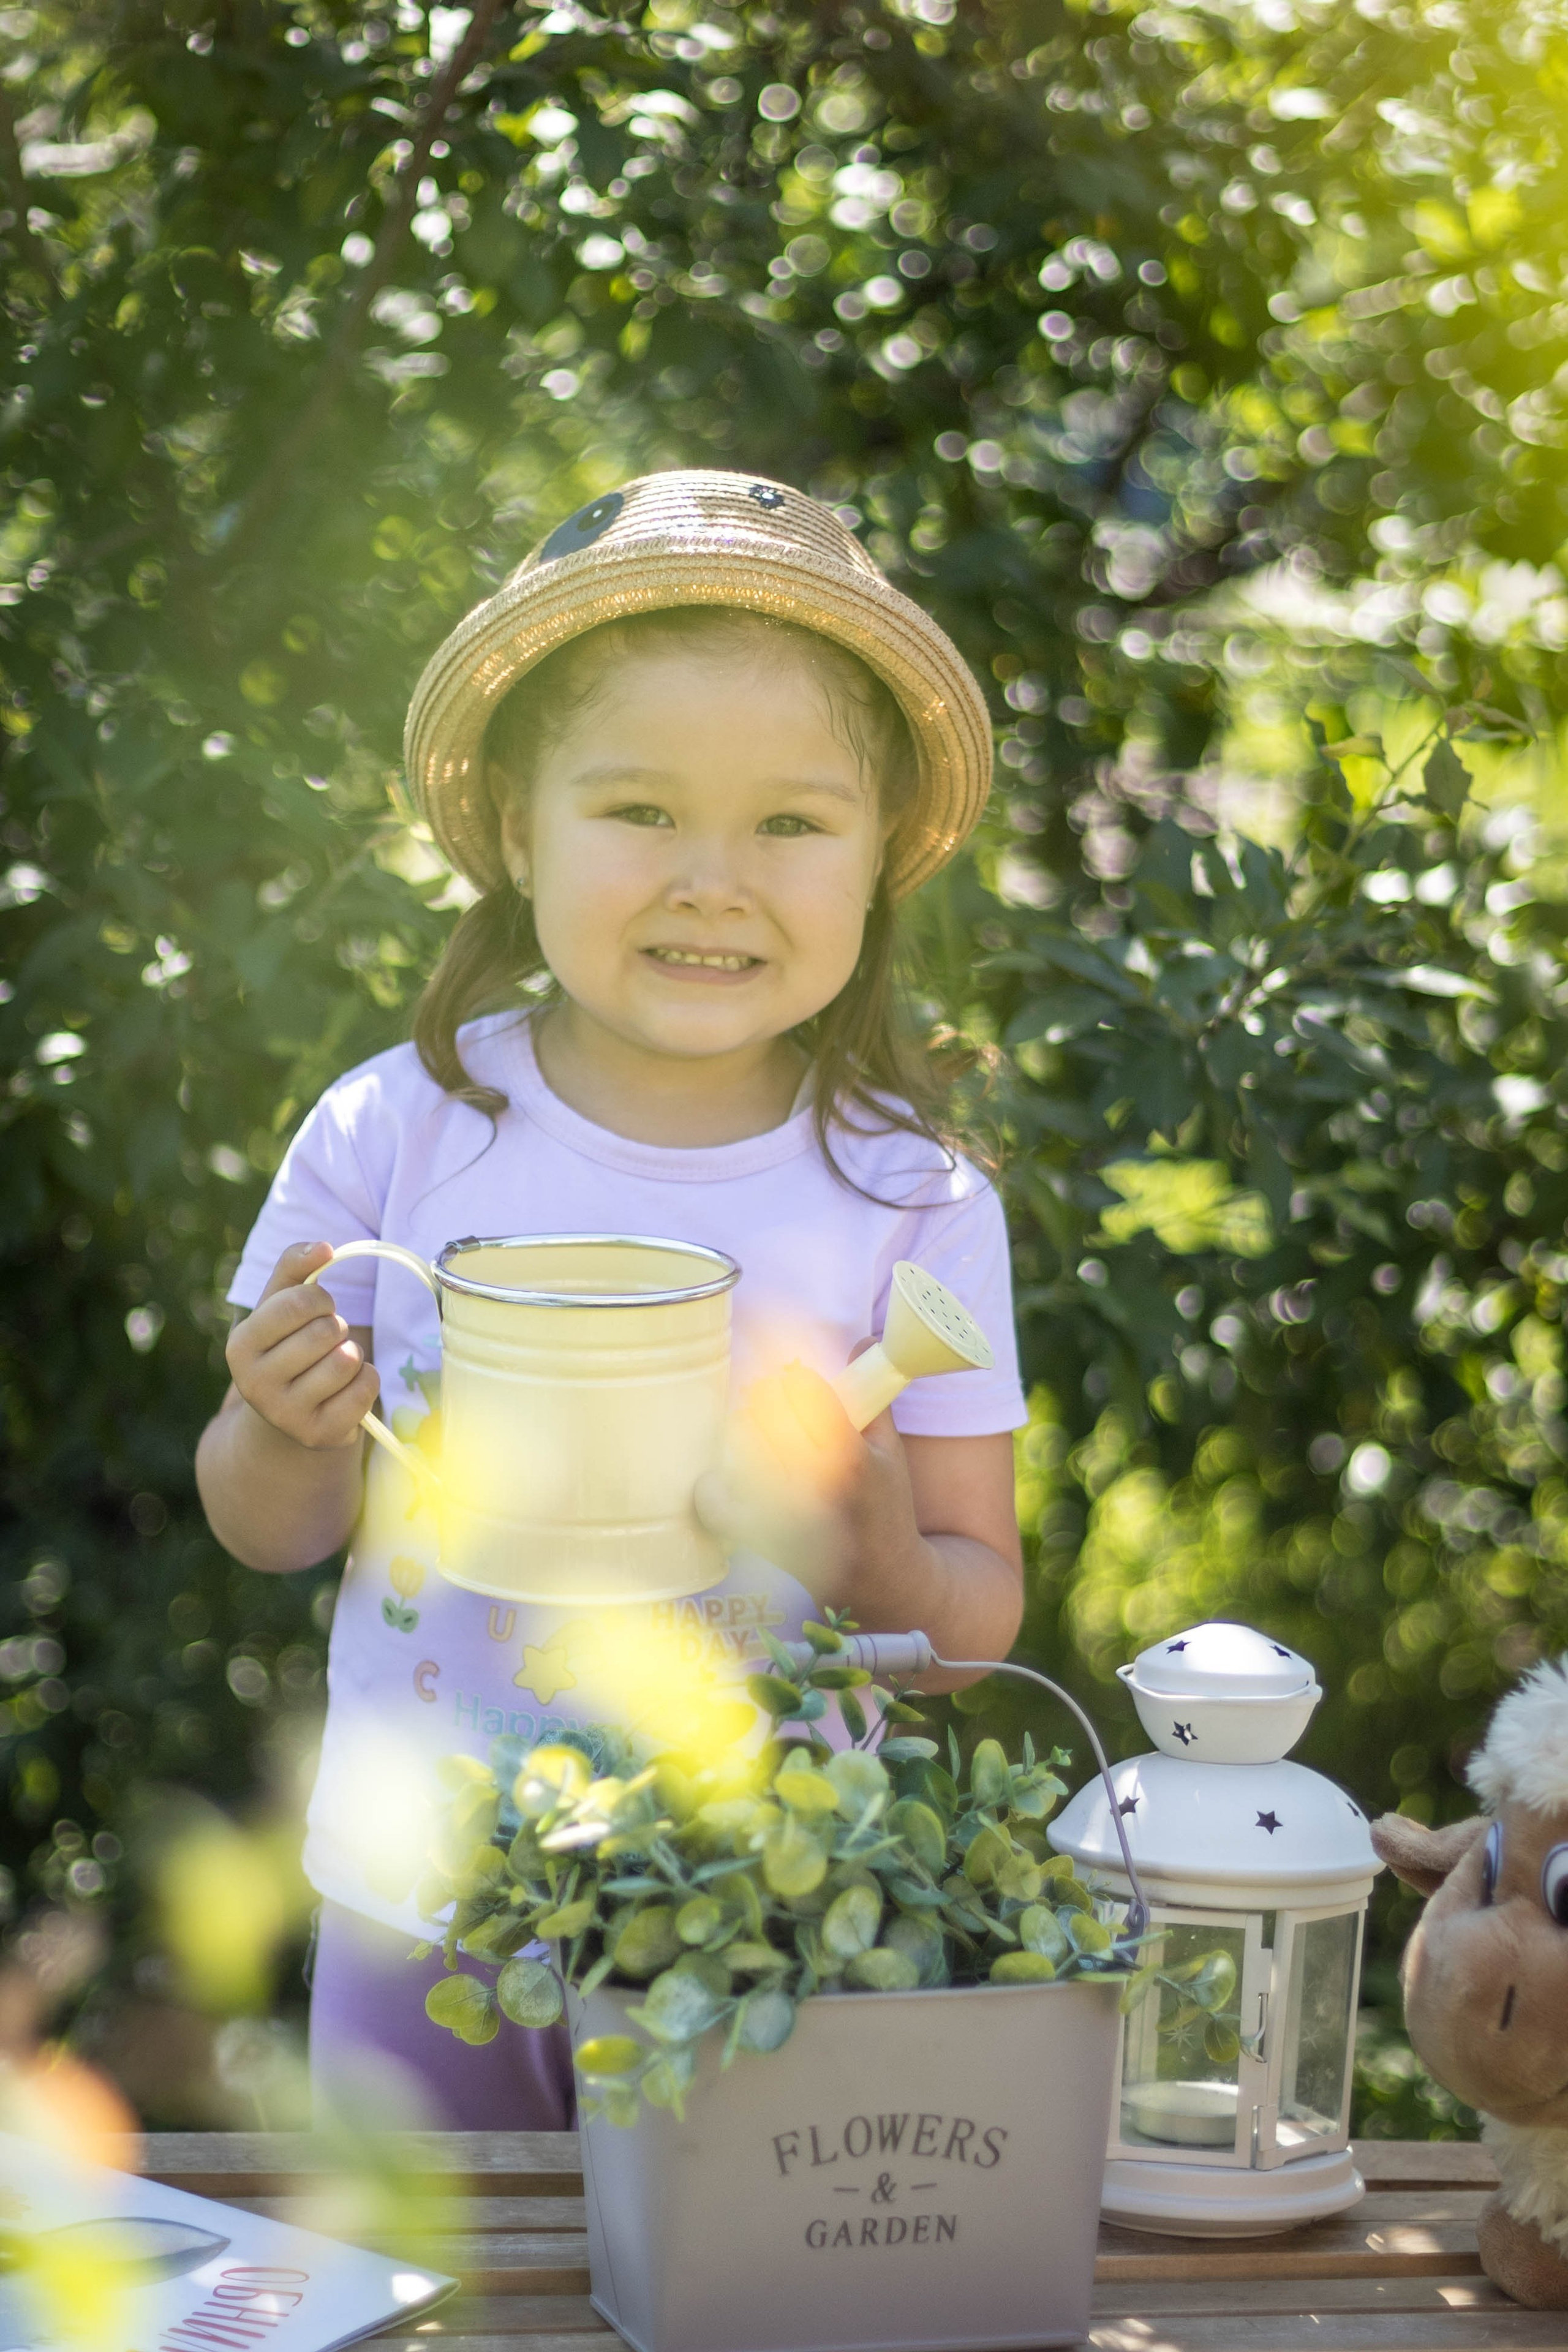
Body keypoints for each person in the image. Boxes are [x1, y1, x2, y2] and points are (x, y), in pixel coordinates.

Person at [195, 470, 1028, 2130]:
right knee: (434, 2292)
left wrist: (869, 1553)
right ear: (520, 830)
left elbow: (972, 1617)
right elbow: (265, 1525)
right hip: (417, 1904)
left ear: (876, 868)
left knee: (729, 2299)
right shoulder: (396, 1132)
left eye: (792, 824)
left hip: (769, 1921)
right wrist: (287, 1427)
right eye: (639, 811)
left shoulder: (913, 1200)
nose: (712, 880)